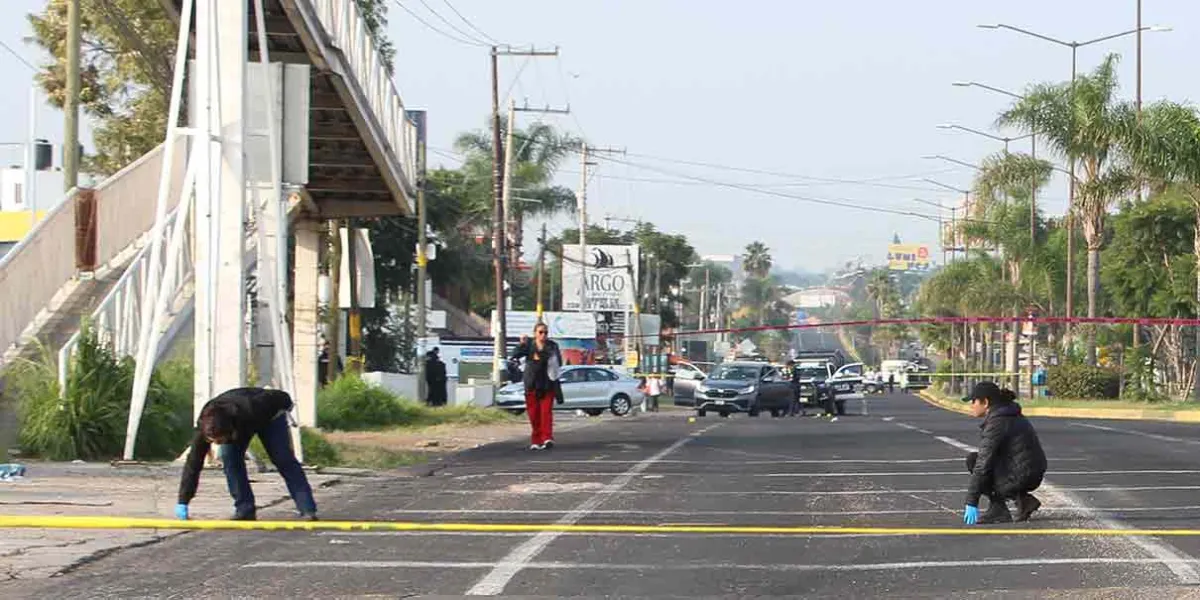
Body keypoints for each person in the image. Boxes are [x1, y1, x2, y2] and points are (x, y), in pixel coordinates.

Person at [175, 387, 317, 521]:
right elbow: (193, 463)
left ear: (230, 431)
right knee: (230, 460)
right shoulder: (204, 427)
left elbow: (282, 398)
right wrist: (183, 501)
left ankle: (307, 509)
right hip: (237, 421)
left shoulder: (254, 407)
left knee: (282, 459)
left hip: (270, 415)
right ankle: (245, 510)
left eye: (219, 440)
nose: (216, 444)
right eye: (213, 441)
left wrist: (288, 407)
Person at [961, 381, 1047, 525]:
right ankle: (1022, 501)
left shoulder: (999, 422)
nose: (971, 405)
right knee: (976, 460)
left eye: (974, 401)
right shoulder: (1005, 414)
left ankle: (1001, 508)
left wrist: (971, 501)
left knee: (975, 462)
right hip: (1028, 470)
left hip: (1023, 473)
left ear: (985, 402)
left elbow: (983, 463)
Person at [511, 323, 563, 450]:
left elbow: (558, 362)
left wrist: (547, 357)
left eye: (545, 332)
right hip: (532, 384)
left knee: (546, 413)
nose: (543, 335)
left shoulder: (552, 345)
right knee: (534, 414)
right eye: (540, 332)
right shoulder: (529, 345)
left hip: (547, 383)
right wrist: (521, 344)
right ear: (535, 333)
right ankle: (536, 440)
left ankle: (547, 438)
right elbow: (515, 355)